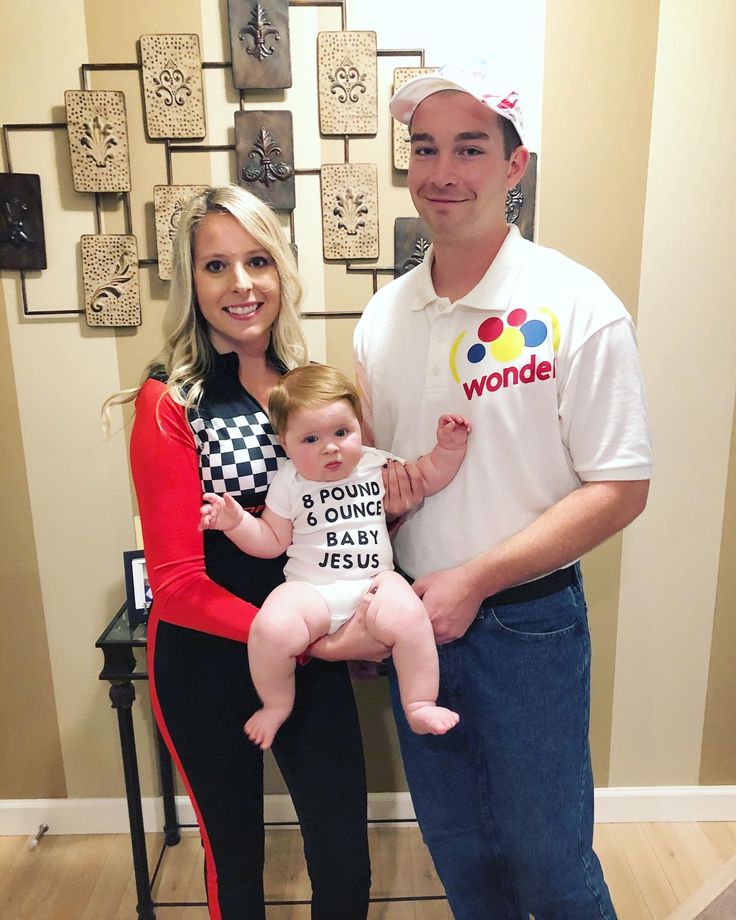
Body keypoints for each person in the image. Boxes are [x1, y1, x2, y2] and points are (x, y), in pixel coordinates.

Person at [354, 60, 652, 920]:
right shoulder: (383, 318)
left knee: (551, 866)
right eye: (425, 149)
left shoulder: (574, 304)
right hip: (416, 621)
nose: (443, 173)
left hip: (530, 624)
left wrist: (475, 579)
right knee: (463, 861)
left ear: (514, 167)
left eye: (471, 148)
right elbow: (376, 479)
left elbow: (622, 486)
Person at [104, 185, 388, 920]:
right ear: (189, 283)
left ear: (282, 272)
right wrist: (307, 643)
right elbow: (174, 585)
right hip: (205, 663)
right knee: (237, 869)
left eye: (257, 261)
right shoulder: (169, 403)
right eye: (215, 266)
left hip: (309, 638)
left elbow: (355, 510)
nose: (241, 285)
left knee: (344, 862)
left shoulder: (312, 392)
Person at [199, 363, 470, 749]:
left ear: (359, 425)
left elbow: (426, 477)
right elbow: (271, 540)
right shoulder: (289, 481)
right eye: (310, 439)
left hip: (375, 582)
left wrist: (448, 448)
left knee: (410, 616)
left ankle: (420, 701)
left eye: (342, 432)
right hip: (311, 589)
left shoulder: (376, 463)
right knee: (270, 628)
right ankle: (276, 703)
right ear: (284, 442)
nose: (330, 447)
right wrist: (236, 521)